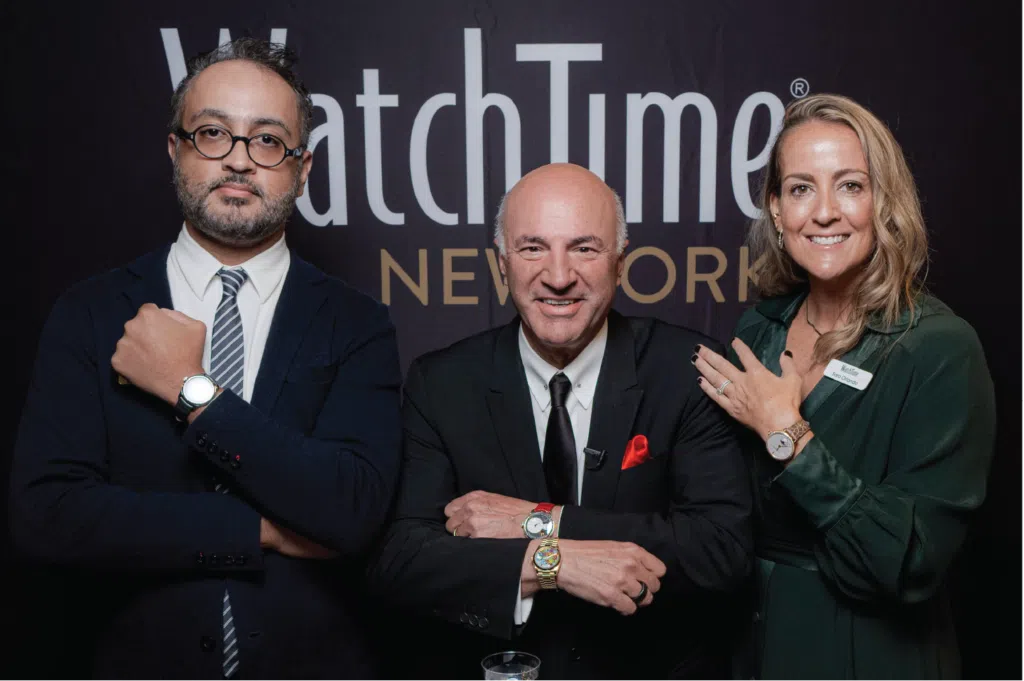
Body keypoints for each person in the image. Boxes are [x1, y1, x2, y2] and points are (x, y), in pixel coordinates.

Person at [9, 38, 401, 681]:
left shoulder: (357, 323)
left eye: (268, 140)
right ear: (176, 150)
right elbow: (48, 517)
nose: (240, 161)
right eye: (213, 133)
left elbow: (353, 509)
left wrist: (190, 387)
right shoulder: (90, 312)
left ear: (303, 168)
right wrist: (257, 530)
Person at [368, 163, 753, 681]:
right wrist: (552, 561)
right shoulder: (440, 382)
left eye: (584, 248)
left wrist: (540, 521)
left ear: (620, 263)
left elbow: (721, 550)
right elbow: (401, 559)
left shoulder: (687, 370)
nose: (558, 276)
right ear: (502, 264)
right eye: (532, 248)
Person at [691, 94, 996, 681]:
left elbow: (910, 562)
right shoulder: (759, 329)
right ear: (777, 210)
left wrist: (789, 435)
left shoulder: (938, 348)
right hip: (753, 642)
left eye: (851, 186)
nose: (825, 212)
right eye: (801, 189)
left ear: (884, 202)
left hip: (870, 653)